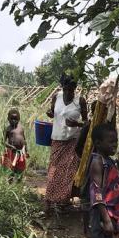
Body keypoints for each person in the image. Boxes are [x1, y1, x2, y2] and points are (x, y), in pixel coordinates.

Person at [44, 74, 88, 211]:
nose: (69, 92)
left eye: (72, 89)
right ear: (63, 87)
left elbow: (87, 123)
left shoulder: (80, 101)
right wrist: (50, 114)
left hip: (72, 141)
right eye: (67, 89)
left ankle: (62, 199)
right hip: (57, 140)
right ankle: (49, 200)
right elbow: (52, 112)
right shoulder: (56, 97)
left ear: (75, 88)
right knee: (53, 171)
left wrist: (77, 124)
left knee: (67, 173)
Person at [0, 107, 27, 179]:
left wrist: (26, 151)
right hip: (12, 152)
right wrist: (10, 146)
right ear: (8, 119)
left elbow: (24, 140)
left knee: (20, 168)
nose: (13, 121)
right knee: (11, 168)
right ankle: (10, 183)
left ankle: (19, 182)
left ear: (19, 119)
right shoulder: (7, 129)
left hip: (21, 152)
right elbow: (2, 141)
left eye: (16, 119)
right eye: (11, 119)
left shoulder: (21, 128)